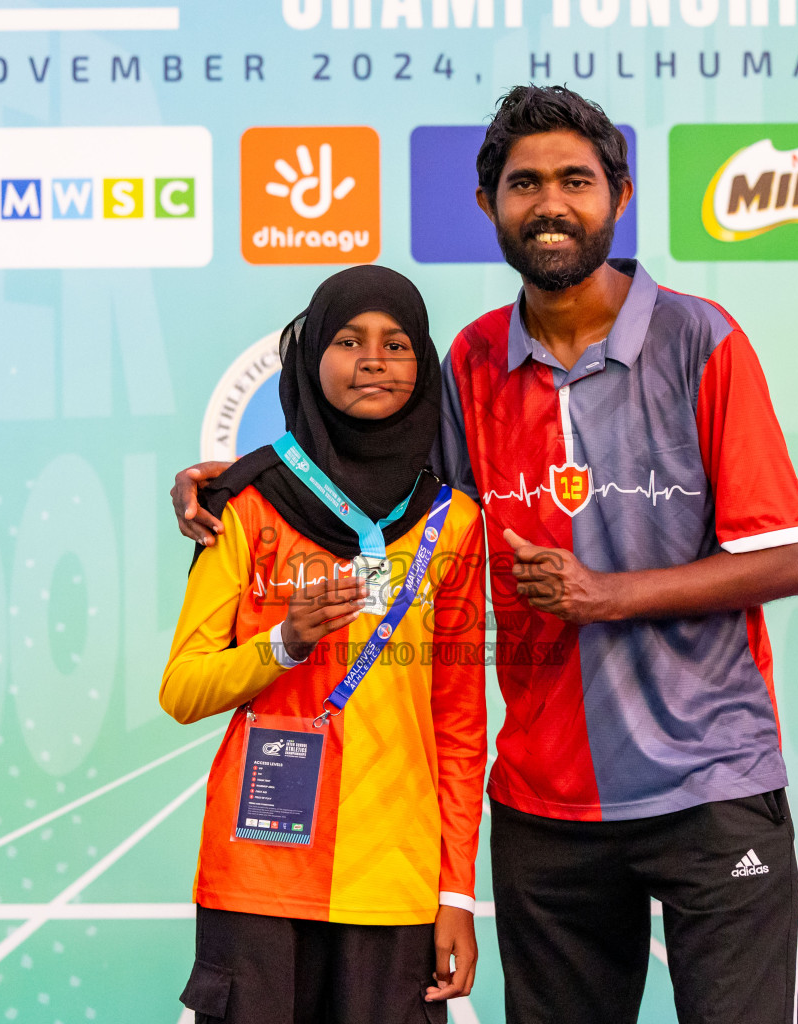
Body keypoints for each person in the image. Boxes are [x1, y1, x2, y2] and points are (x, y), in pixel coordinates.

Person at [174, 86, 798, 1024]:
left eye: (574, 180)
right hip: (544, 808)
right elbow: (369, 481)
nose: (549, 203)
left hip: (711, 785)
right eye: (524, 184)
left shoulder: (700, 340)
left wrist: (605, 595)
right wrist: (236, 478)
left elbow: (786, 556)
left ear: (619, 196)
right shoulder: (470, 365)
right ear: (489, 207)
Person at [160, 265, 487, 1024]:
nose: (373, 358)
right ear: (310, 361)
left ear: (423, 364)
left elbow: (460, 728)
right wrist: (284, 640)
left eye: (396, 343)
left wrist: (455, 892)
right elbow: (181, 690)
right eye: (348, 339)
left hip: (394, 881)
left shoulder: (454, 523)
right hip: (260, 874)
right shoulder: (243, 503)